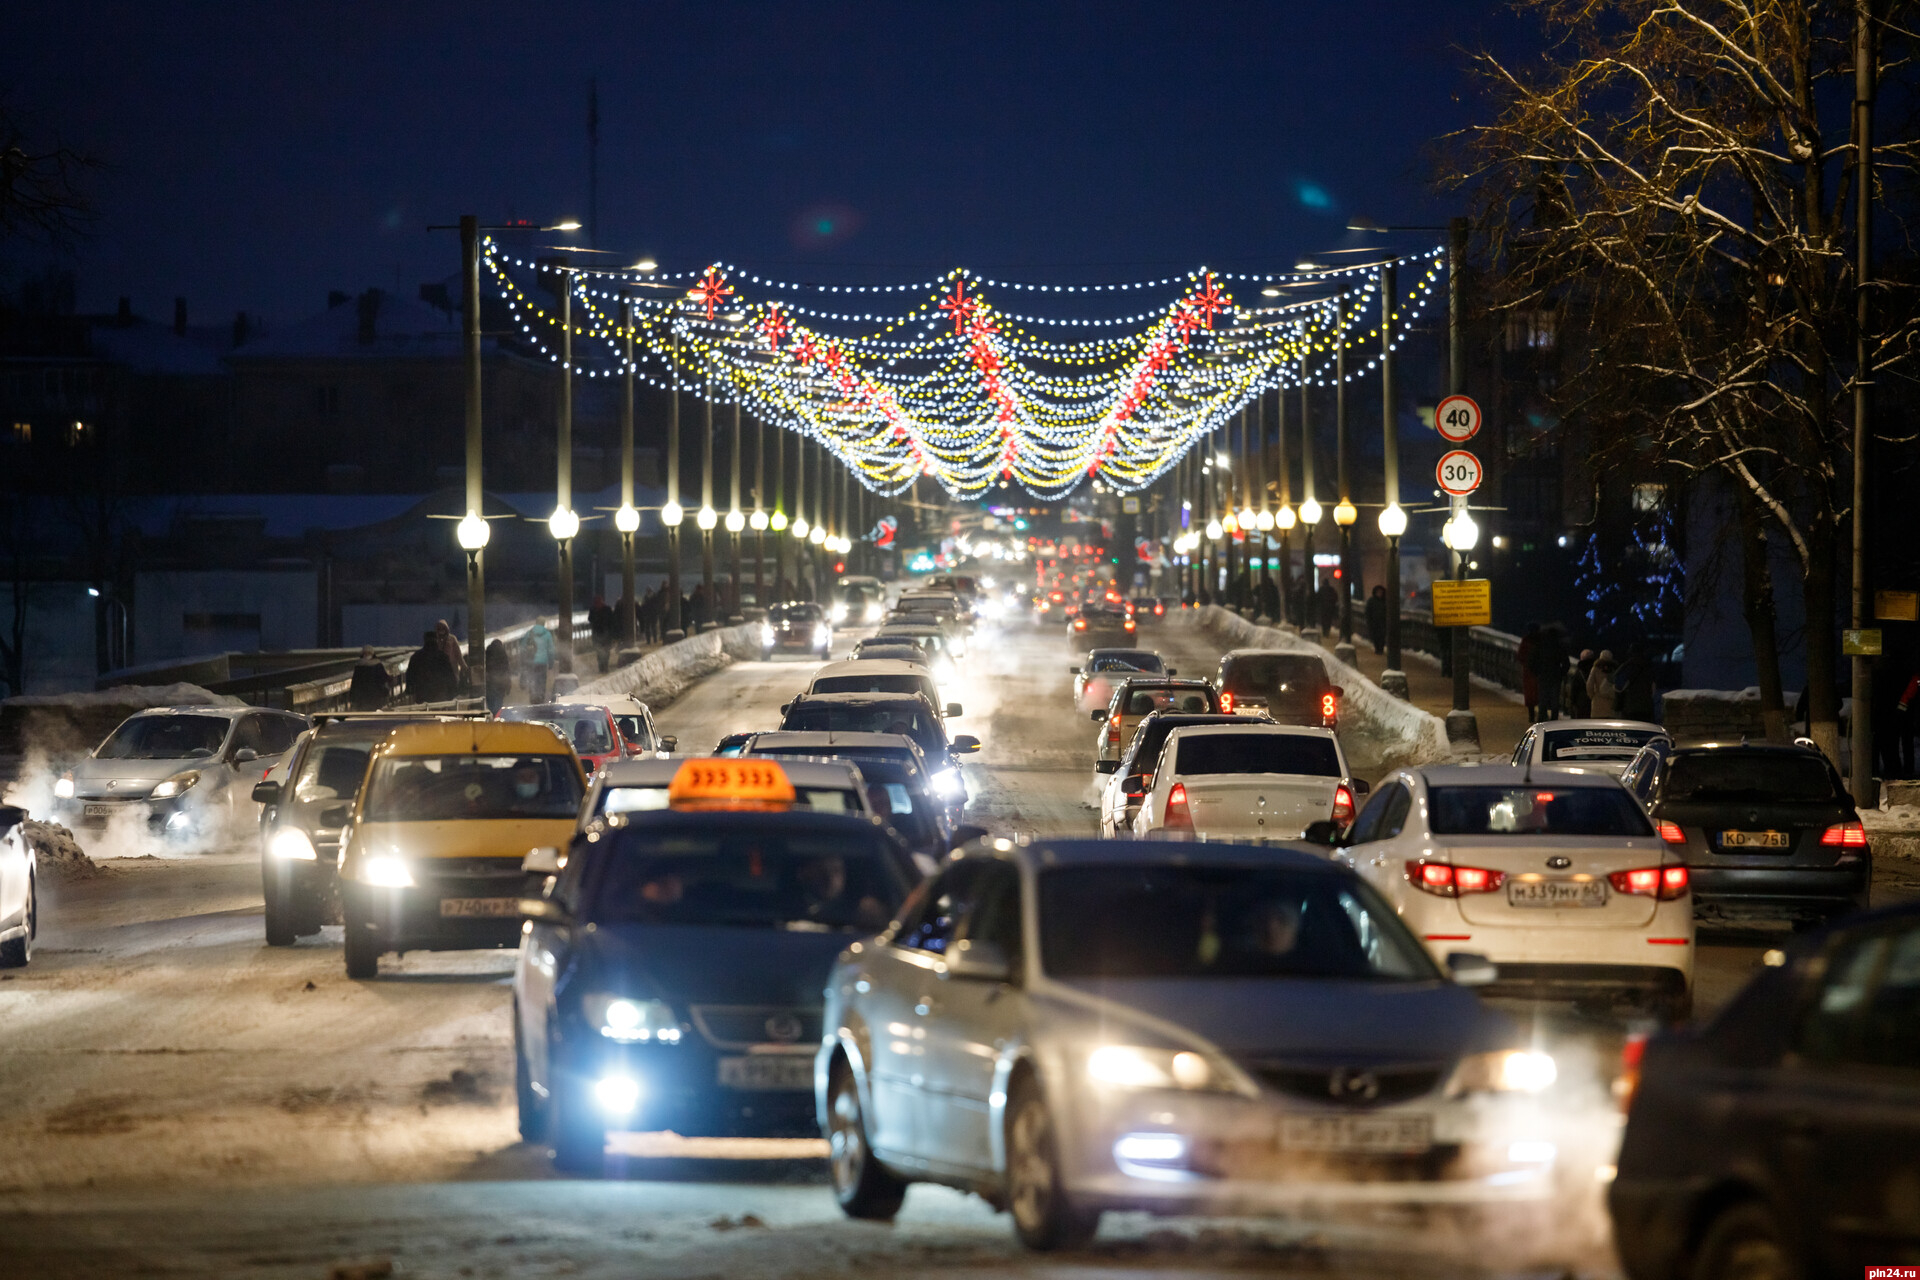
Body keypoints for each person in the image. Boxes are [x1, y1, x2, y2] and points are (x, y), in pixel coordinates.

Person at [406, 630, 456, 705]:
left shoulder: (416, 657)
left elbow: (410, 675)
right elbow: (450, 676)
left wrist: (410, 690)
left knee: (425, 715)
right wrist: (451, 692)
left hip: (422, 693)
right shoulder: (442, 656)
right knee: (440, 714)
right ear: (436, 640)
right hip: (440, 693)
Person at [1532, 623, 1570, 722]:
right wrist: (1561, 673)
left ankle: (1541, 718)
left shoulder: (1540, 646)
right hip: (1555, 676)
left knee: (1543, 698)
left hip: (1543, 675)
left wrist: (1537, 672)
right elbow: (1566, 663)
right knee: (1555, 700)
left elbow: (1531, 661)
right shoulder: (1559, 647)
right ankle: (1554, 719)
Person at [1615, 642, 1656, 723]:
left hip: (1630, 706)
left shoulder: (1628, 666)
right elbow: (1653, 687)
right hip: (1646, 707)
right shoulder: (1648, 666)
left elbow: (1619, 685)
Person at [348, 645, 392, 711]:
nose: (367, 655)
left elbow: (355, 682)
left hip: (365, 695)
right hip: (374, 694)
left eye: (368, 653)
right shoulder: (377, 664)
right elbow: (383, 678)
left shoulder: (359, 665)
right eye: (365, 653)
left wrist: (353, 696)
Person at [521, 620, 555, 703]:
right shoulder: (547, 634)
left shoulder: (529, 633)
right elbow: (551, 650)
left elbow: (522, 648)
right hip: (542, 663)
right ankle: (540, 698)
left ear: (536, 623)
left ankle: (533, 698)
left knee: (533, 680)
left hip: (531, 662)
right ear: (543, 623)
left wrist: (524, 661)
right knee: (542, 681)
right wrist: (551, 663)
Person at [434, 619, 469, 694]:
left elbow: (458, 655)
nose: (441, 631)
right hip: (440, 672)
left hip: (452, 671)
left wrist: (464, 667)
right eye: (439, 629)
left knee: (451, 691)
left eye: (443, 628)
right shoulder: (435, 641)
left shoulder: (452, 639)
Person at [1517, 623, 1541, 722]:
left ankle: (1531, 715)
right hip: (1540, 671)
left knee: (1530, 694)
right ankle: (1542, 715)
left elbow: (1520, 656)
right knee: (1541, 692)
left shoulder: (1526, 641)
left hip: (1528, 671)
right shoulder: (1541, 641)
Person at [484, 638, 513, 714]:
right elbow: (507, 670)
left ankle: (492, 714)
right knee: (499, 700)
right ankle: (497, 714)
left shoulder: (487, 652)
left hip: (490, 682)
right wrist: (508, 686)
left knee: (491, 700)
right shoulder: (503, 653)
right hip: (501, 683)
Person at [1587, 649, 1619, 718]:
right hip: (1610, 703)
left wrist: (1592, 696)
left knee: (1597, 726)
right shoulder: (1614, 670)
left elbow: (1589, 684)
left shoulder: (1595, 668)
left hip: (1597, 703)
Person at [588, 595, 615, 673]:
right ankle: (602, 667)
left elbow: (612, 622)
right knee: (600, 652)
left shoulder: (605, 609)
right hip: (599, 634)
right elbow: (590, 619)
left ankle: (604, 666)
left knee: (605, 651)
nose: (597, 604)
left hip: (605, 634)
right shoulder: (604, 609)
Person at [1569, 649, 1596, 719]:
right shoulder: (1596, 669)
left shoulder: (1579, 671)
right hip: (1594, 701)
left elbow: (1574, 688)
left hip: (1581, 701)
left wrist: (1573, 702)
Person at [1365, 585, 1388, 654]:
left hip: (1382, 622)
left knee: (1382, 636)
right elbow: (1368, 612)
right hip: (1374, 622)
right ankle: (1377, 648)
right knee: (1375, 636)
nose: (1380, 594)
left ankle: (1380, 649)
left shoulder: (1384, 601)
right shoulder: (1371, 601)